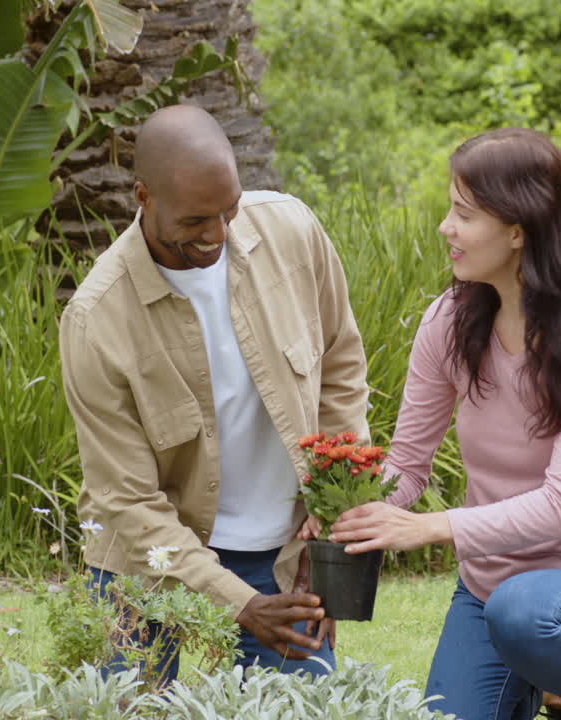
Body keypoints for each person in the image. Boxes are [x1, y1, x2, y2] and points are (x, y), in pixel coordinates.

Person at [318, 128, 561, 720]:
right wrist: (351, 512)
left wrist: (428, 529)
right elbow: (406, 468)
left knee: (523, 611)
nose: (446, 228)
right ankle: (551, 680)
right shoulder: (449, 321)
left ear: (518, 230)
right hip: (487, 595)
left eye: (464, 213)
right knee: (493, 632)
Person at [59, 104, 370, 684]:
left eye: (228, 211)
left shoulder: (291, 230)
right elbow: (126, 499)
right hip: (143, 566)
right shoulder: (96, 319)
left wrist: (332, 511)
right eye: (196, 221)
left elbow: (341, 366)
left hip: (280, 560)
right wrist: (236, 604)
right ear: (142, 196)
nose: (217, 235)